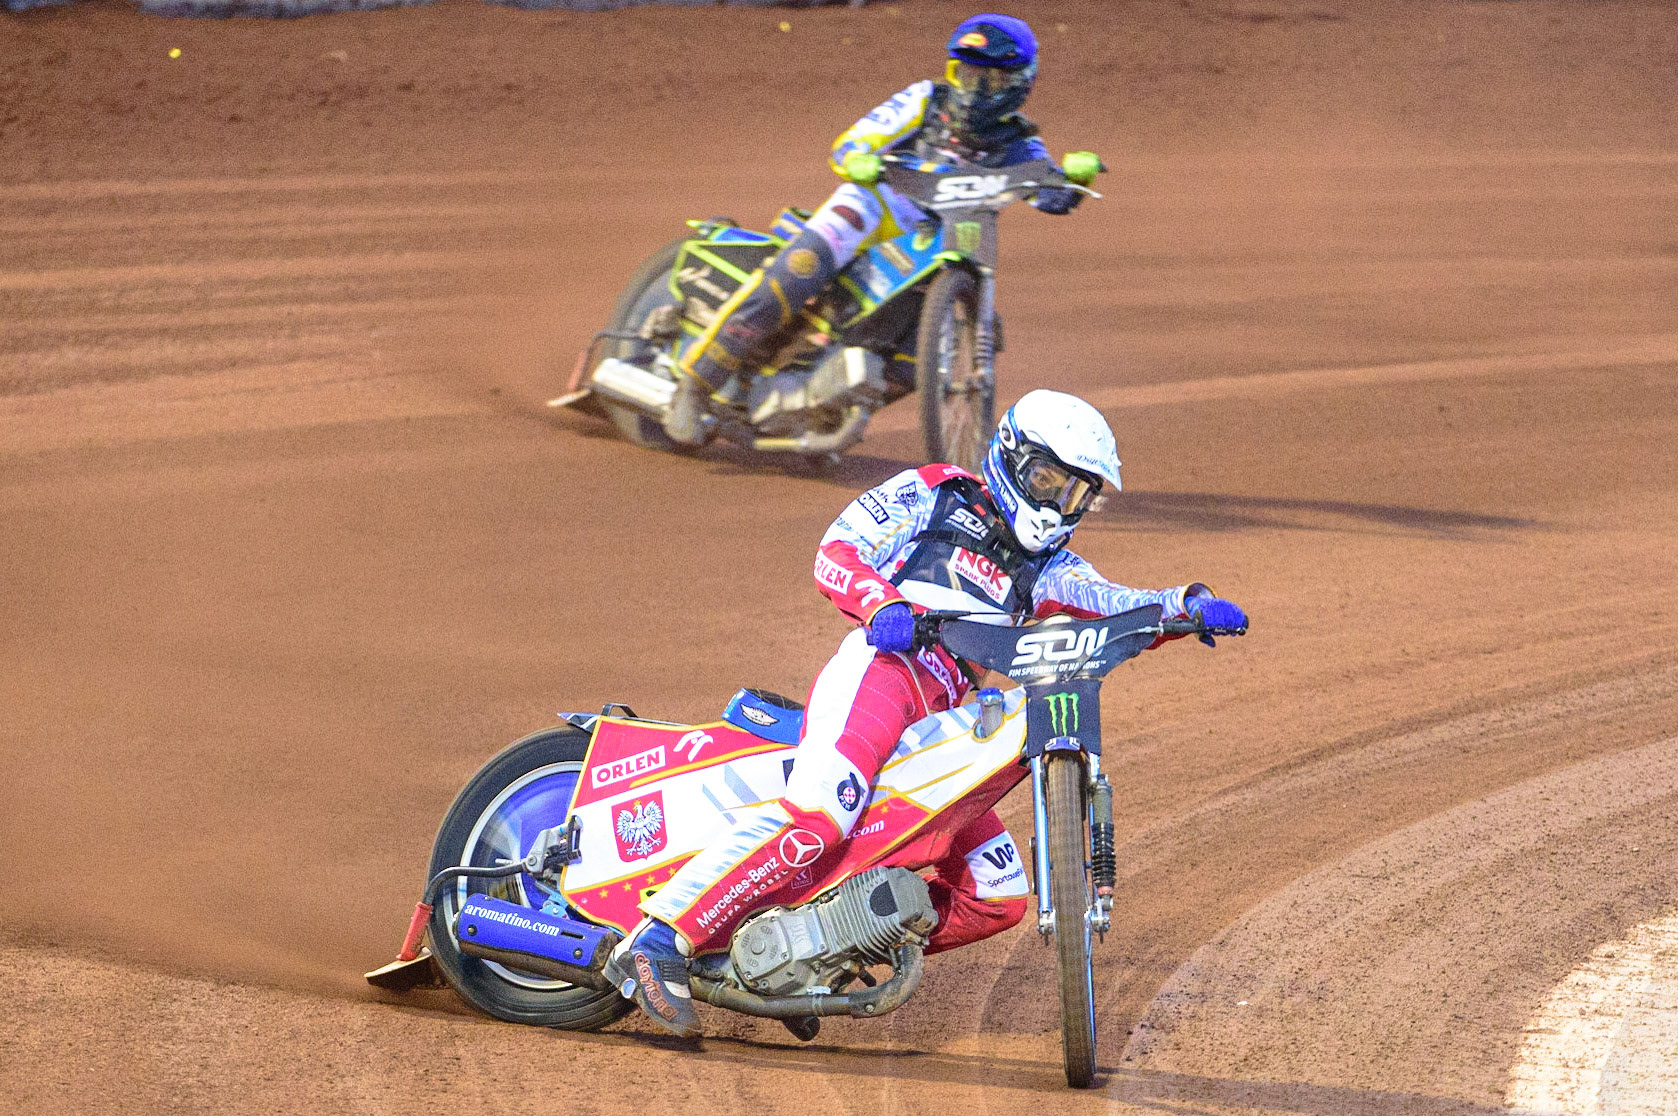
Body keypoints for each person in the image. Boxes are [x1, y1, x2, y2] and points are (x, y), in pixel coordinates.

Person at [605, 389, 1248, 1037]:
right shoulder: (937, 492)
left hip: (942, 723)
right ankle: (659, 941)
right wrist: (881, 604)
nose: (1057, 504)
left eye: (1076, 493)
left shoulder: (1051, 568)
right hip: (881, 676)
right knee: (822, 816)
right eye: (1048, 481)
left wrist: (1186, 606)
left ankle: (810, 957)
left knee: (996, 895)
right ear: (1012, 458)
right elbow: (839, 548)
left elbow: (1115, 603)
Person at [662, 13, 1091, 446]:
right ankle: (695, 387)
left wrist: (1075, 178)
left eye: (991, 79)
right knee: (799, 269)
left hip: (937, 240)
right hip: (874, 206)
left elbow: (1051, 195)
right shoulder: (926, 99)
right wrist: (858, 156)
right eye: (967, 73)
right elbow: (856, 139)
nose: (975, 88)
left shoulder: (1021, 143)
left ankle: (823, 408)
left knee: (925, 352)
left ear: (1018, 84)